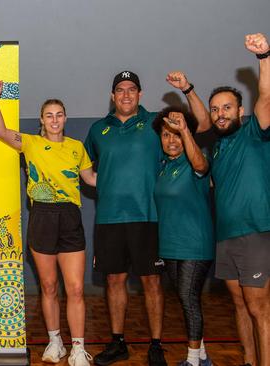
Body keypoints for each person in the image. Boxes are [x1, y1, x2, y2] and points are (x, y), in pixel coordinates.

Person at [85, 70, 211, 366]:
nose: (126, 94)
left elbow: (202, 124)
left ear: (140, 94)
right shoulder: (97, 129)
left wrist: (187, 89)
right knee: (114, 281)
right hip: (108, 219)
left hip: (148, 217)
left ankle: (156, 345)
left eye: (132, 89)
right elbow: (81, 166)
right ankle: (118, 343)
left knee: (152, 283)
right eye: (120, 90)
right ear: (112, 96)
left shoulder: (157, 123)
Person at [0, 81, 96, 365]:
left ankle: (78, 348)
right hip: (42, 217)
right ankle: (55, 342)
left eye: (59, 114)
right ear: (41, 120)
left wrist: (126, 176)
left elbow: (92, 180)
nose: (55, 119)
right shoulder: (31, 143)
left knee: (74, 288)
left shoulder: (77, 147)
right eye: (49, 115)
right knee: (48, 287)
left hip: (70, 217)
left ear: (65, 118)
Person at [203, 33, 270, 366]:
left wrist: (264, 56)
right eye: (215, 109)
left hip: (255, 232)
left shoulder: (254, 131)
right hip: (225, 237)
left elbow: (266, 97)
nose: (220, 113)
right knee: (240, 306)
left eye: (227, 107)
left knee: (259, 309)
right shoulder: (218, 147)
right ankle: (249, 361)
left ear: (240, 111)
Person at [152, 107, 214, 366]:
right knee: (185, 299)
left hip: (194, 244)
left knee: (189, 300)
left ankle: (192, 361)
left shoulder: (196, 161)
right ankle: (202, 355)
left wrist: (185, 130)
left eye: (176, 135)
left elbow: (201, 164)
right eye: (166, 135)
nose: (171, 140)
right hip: (171, 245)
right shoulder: (165, 167)